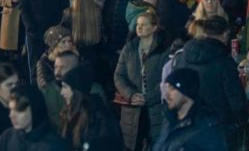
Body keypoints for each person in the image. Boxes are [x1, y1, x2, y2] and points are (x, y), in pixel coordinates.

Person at [170, 15, 246, 147]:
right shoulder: (225, 63)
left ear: (204, 32)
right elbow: (237, 102)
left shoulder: (183, 57)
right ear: (225, 34)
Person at [114, 10, 169, 150]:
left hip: (156, 107)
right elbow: (119, 76)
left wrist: (149, 97)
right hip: (132, 108)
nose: (139, 27)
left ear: (154, 27)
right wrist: (131, 94)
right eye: (138, 24)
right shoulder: (129, 48)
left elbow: (166, 80)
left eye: (144, 24)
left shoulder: (164, 50)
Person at [153, 68, 226, 151]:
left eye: (172, 89)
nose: (166, 95)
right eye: (167, 89)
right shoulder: (169, 121)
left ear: (185, 90)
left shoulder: (206, 126)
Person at [21, 0, 70, 75]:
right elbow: (25, 9)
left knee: (54, 64)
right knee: (35, 66)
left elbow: (64, 7)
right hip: (35, 33)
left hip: (54, 32)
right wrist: (31, 28)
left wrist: (59, 27)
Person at [58, 64, 122, 150]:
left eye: (65, 87)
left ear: (77, 91)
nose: (61, 92)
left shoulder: (100, 118)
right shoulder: (69, 112)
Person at [0, 85, 70, 151]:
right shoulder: (6, 138)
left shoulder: (55, 146)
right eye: (11, 109)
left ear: (35, 109)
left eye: (19, 110)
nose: (11, 115)